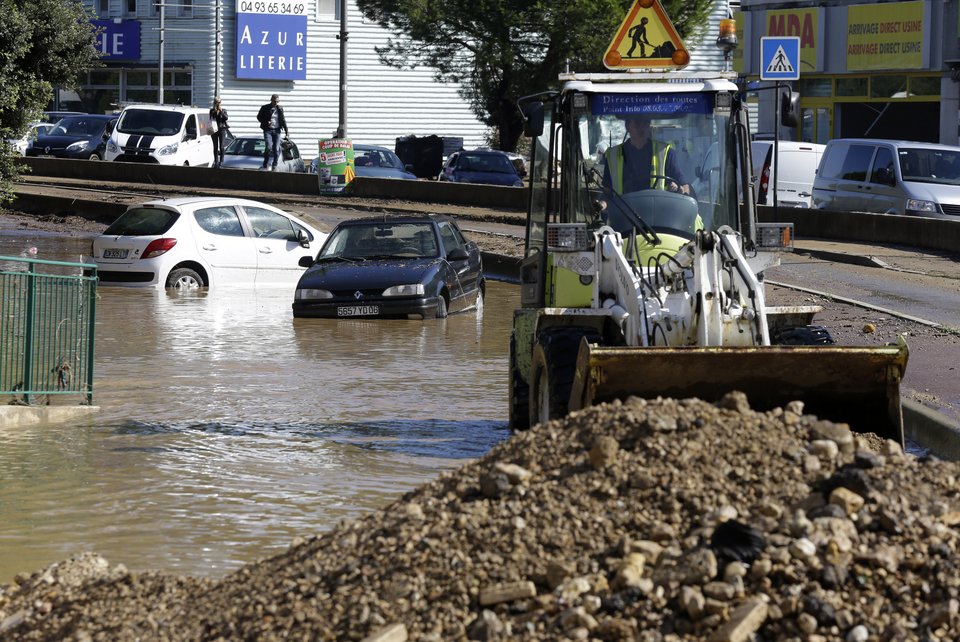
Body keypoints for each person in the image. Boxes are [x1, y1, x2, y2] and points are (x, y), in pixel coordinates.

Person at [602, 113, 690, 196]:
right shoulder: (612, 156)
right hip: (623, 211)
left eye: (646, 123)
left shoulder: (666, 152)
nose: (642, 128)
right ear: (627, 127)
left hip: (659, 211)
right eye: (637, 123)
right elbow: (607, 193)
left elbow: (685, 187)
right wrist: (601, 204)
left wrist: (680, 190)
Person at [256, 94, 289, 171]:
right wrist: (265, 122)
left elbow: (283, 120)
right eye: (274, 101)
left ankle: (275, 163)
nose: (276, 103)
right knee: (268, 147)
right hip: (268, 130)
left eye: (277, 101)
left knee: (276, 148)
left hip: (277, 130)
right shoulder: (265, 107)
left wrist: (287, 131)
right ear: (271, 100)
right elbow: (258, 117)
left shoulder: (280, 108)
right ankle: (265, 162)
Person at [209, 97, 229, 168]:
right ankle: (216, 162)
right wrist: (215, 111)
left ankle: (221, 162)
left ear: (221, 103)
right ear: (214, 103)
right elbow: (211, 119)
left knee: (221, 146)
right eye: (216, 102)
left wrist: (220, 111)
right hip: (214, 130)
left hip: (222, 129)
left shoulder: (223, 110)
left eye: (219, 102)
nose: (217, 104)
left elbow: (226, 118)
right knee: (215, 146)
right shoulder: (212, 111)